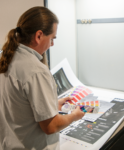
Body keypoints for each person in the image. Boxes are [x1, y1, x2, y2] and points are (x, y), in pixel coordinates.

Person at [0, 6, 84, 150]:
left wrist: (52, 104)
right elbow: (51, 126)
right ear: (38, 36)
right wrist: (75, 116)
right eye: (52, 38)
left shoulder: (7, 58)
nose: (52, 44)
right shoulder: (36, 71)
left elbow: (18, 105)